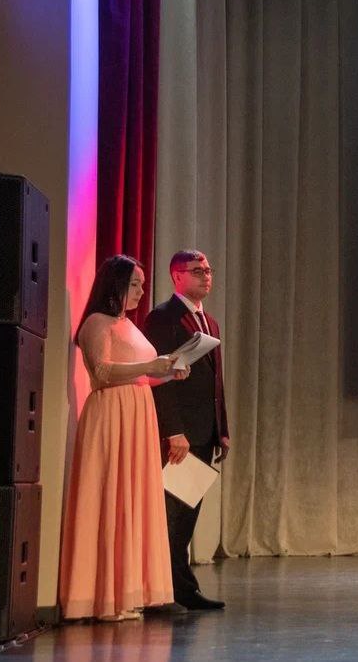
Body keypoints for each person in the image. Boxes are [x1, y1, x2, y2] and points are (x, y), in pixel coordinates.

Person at [58, 255, 188, 621]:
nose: (141, 291)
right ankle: (100, 596)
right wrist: (150, 365)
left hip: (137, 413)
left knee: (132, 498)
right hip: (112, 414)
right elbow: (101, 372)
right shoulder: (96, 323)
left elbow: (140, 376)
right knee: (112, 495)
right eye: (134, 284)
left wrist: (168, 373)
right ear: (114, 285)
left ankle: (129, 591)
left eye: (143, 285)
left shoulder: (127, 324)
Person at [144, 250, 230, 611]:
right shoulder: (163, 317)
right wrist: (174, 431)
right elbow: (160, 381)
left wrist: (222, 428)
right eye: (197, 271)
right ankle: (167, 591)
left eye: (208, 270)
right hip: (180, 434)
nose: (206, 276)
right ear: (177, 276)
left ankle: (181, 588)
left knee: (187, 514)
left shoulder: (209, 321)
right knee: (172, 516)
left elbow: (215, 382)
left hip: (204, 431)